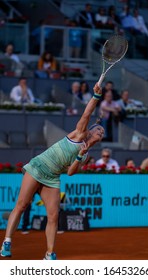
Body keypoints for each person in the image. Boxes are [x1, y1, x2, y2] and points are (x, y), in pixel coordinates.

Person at [0, 82, 105, 260]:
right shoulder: (79, 133)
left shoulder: (86, 155)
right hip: (38, 167)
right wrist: (95, 96)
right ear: (90, 131)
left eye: (102, 133)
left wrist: (80, 156)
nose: (101, 133)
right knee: (22, 205)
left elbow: (71, 173)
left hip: (52, 178)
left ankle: (49, 254)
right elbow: (87, 113)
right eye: (99, 130)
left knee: (53, 215)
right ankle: (7, 243)